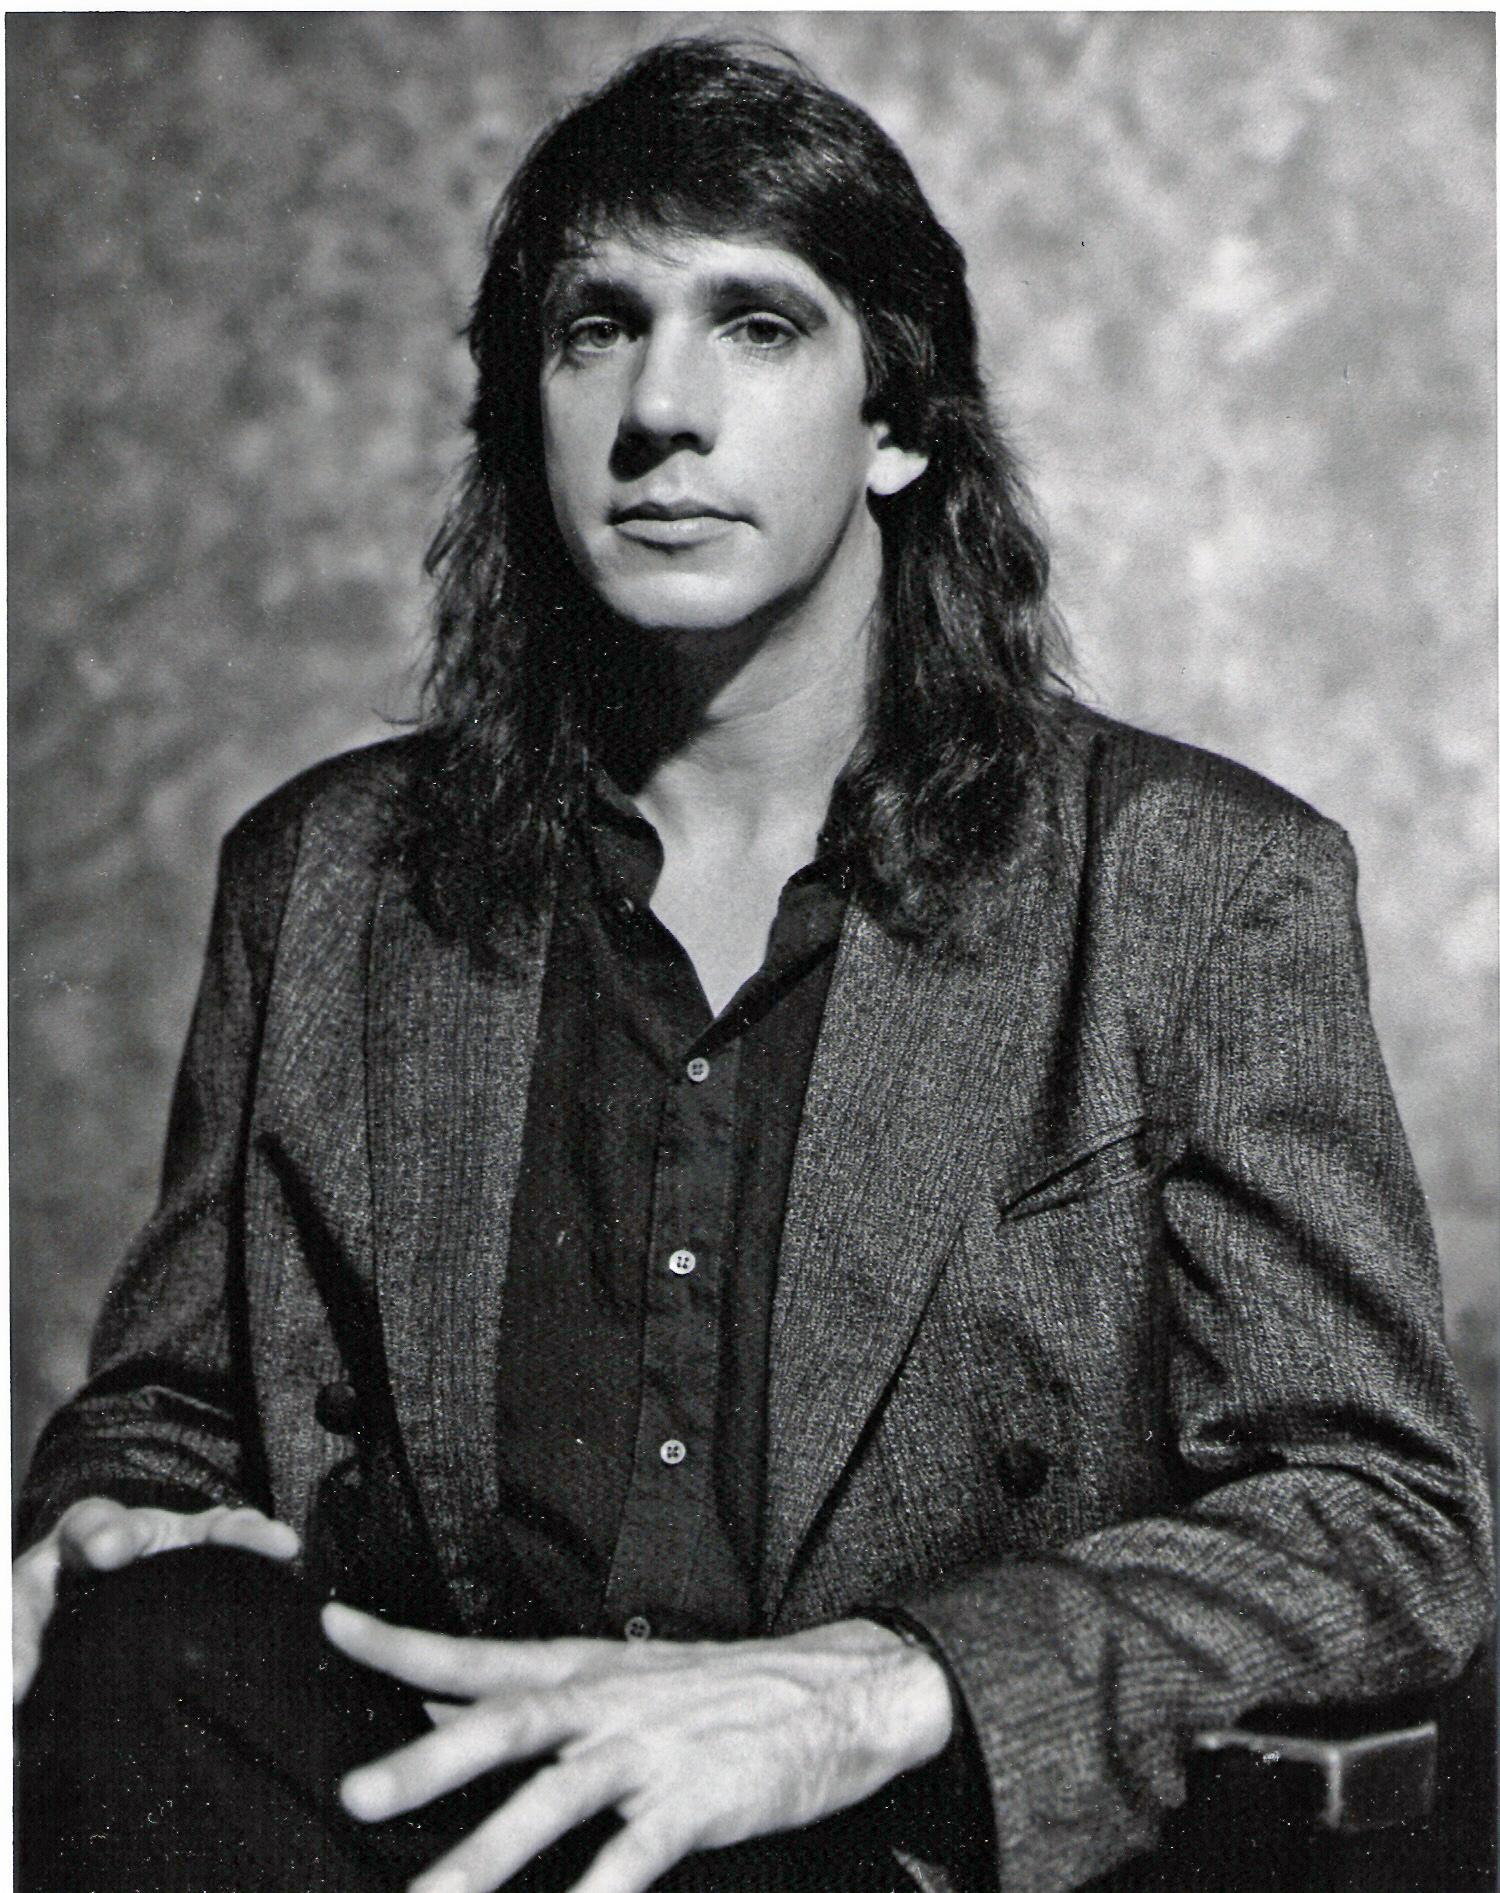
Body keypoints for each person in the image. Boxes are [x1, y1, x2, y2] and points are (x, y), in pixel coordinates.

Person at [13, 36, 1491, 1893]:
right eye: (597, 328)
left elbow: (1386, 1520)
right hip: (417, 1831)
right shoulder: (325, 881)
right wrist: (119, 1519)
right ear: (525, 410)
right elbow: (168, 1412)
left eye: (759, 326)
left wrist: (886, 1683)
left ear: (898, 422)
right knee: (153, 1651)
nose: (662, 409)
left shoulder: (1196, 885)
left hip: (876, 1848)